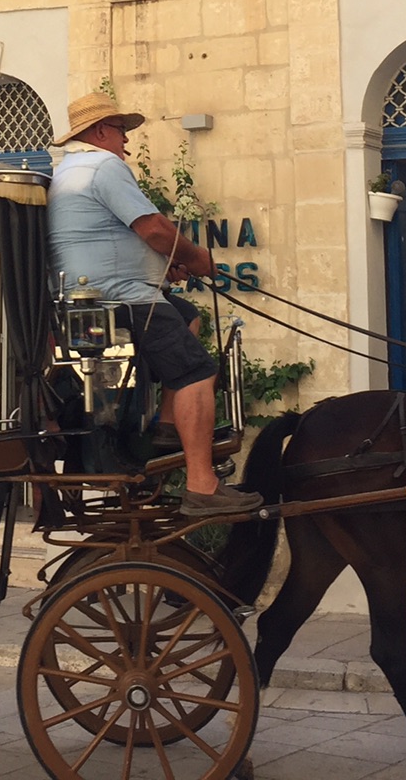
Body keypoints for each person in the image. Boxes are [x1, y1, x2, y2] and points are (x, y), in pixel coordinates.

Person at [47, 90, 262, 518]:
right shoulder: (103, 166)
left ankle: (166, 427)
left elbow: (114, 239)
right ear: (101, 131)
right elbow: (156, 230)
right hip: (122, 301)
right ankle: (203, 485)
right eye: (122, 130)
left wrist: (167, 268)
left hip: (104, 297)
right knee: (198, 370)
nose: (126, 140)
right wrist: (196, 258)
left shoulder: (71, 170)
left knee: (188, 316)